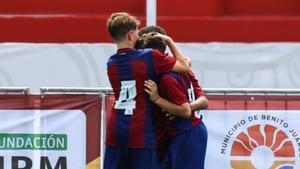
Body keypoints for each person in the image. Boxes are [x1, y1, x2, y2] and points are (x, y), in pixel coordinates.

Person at [105, 12, 190, 169]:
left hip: (115, 130)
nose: (139, 37)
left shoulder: (111, 63)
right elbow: (184, 66)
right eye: (137, 32)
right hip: (140, 130)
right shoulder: (149, 57)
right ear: (131, 35)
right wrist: (169, 40)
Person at [140, 26, 208, 169]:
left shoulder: (167, 78)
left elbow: (185, 111)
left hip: (187, 133)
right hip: (180, 134)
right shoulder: (180, 68)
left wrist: (158, 99)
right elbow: (201, 102)